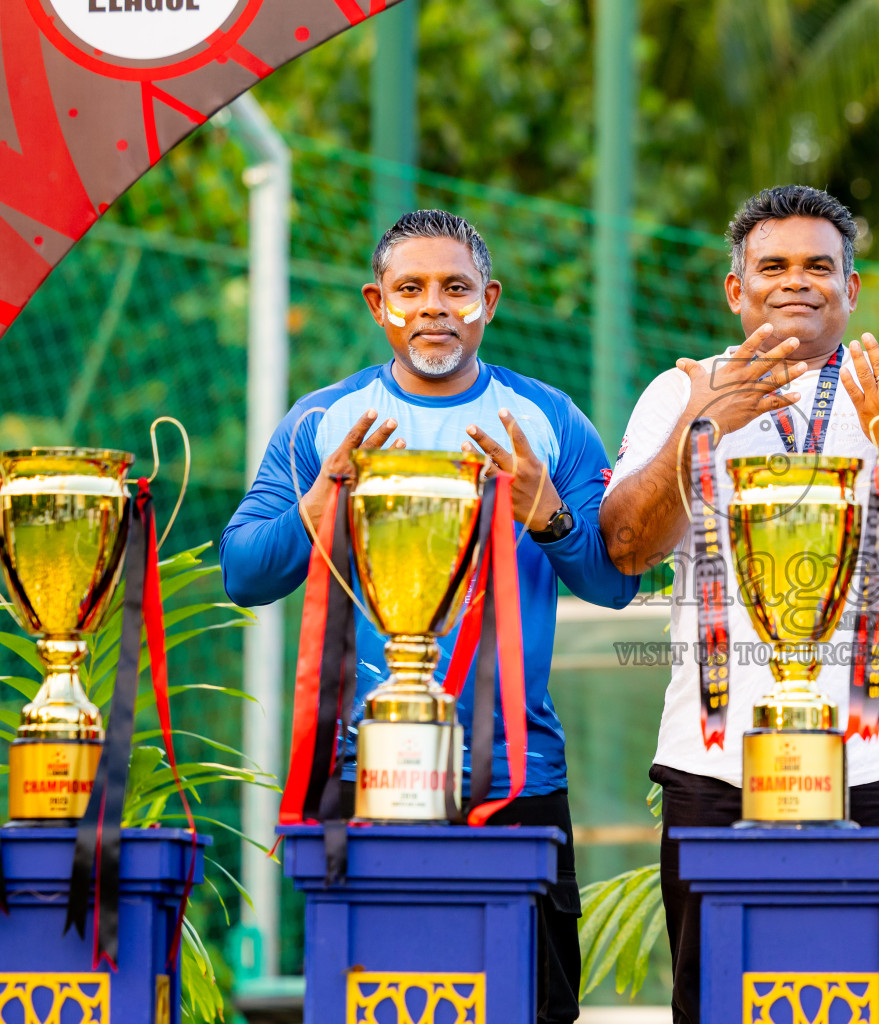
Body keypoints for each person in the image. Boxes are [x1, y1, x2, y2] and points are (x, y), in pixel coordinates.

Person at [220, 209, 639, 1024]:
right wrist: (314, 511)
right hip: (365, 766)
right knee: (379, 1000)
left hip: (515, 772)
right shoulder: (321, 424)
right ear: (379, 305)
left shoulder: (546, 420)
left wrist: (548, 512)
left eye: (455, 287)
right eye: (411, 289)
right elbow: (243, 574)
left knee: (534, 1006)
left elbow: (614, 585)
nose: (434, 306)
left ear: (491, 300)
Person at [599, 184, 879, 1024]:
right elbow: (624, 547)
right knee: (718, 993)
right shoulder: (681, 389)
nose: (795, 282)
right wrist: (698, 429)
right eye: (772, 266)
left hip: (878, 750)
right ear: (736, 291)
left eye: (820, 266)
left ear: (852, 288)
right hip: (718, 754)